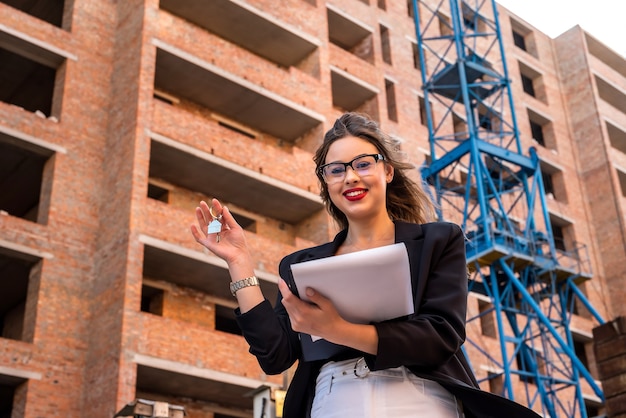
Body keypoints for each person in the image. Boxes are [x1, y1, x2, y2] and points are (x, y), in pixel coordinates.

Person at [191, 112, 541, 418]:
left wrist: (337, 328)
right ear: (327, 183)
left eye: (363, 164)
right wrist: (239, 263)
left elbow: (441, 334)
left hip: (419, 396)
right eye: (336, 170)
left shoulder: (438, 241)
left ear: (387, 171)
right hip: (331, 399)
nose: (350, 177)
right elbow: (275, 355)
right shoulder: (302, 265)